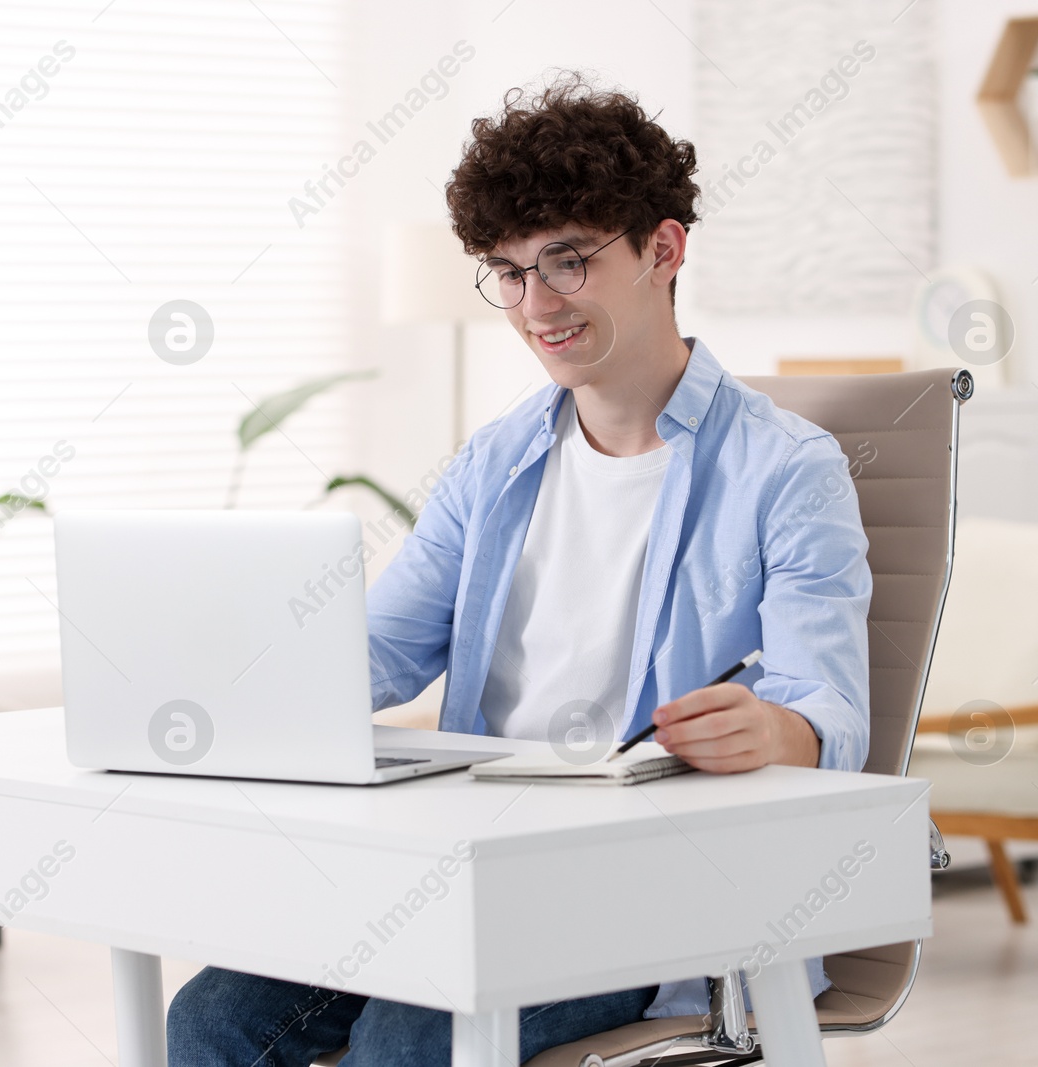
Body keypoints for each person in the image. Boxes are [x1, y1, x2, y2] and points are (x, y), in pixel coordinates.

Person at [167, 71, 872, 1066]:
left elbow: (830, 711)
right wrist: (236, 678)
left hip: (641, 888)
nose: (535, 304)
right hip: (465, 869)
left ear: (663, 249)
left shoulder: (787, 467)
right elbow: (378, 648)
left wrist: (777, 727)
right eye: (507, 270)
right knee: (213, 1016)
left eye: (567, 261)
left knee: (411, 1039)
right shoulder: (492, 463)